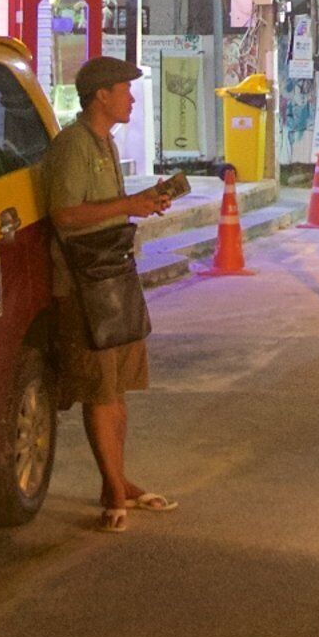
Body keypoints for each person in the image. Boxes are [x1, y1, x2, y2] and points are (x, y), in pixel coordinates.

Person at [42, 57, 192, 530]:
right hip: (83, 284)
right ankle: (112, 489)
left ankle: (118, 479)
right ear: (101, 95)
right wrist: (130, 204)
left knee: (117, 388)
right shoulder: (72, 146)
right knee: (101, 389)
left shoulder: (104, 143)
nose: (131, 98)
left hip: (112, 276)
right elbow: (64, 215)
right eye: (125, 90)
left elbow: (101, 210)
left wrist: (142, 204)